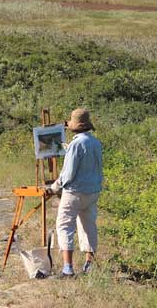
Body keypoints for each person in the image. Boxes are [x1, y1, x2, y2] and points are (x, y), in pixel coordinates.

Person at [46, 108, 103, 277]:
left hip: (75, 192)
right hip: (92, 191)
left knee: (64, 225)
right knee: (88, 226)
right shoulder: (95, 143)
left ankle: (68, 268)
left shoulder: (76, 144)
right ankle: (89, 265)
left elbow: (68, 174)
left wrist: (54, 187)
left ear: (75, 126)